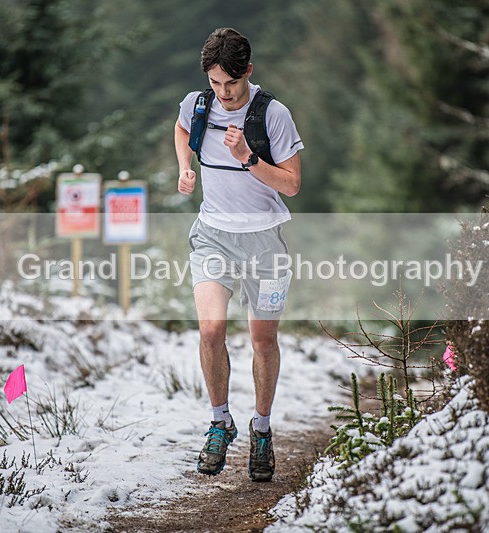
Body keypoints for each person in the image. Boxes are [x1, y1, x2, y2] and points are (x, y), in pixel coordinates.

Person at [174, 27, 304, 481]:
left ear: (248, 70)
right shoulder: (199, 103)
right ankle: (219, 421)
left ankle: (262, 430)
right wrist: (185, 168)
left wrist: (249, 156)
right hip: (213, 235)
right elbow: (182, 127)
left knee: (262, 340)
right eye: (215, 83)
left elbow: (291, 183)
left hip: (265, 242)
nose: (224, 93)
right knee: (210, 330)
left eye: (231, 83)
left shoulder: (273, 114)